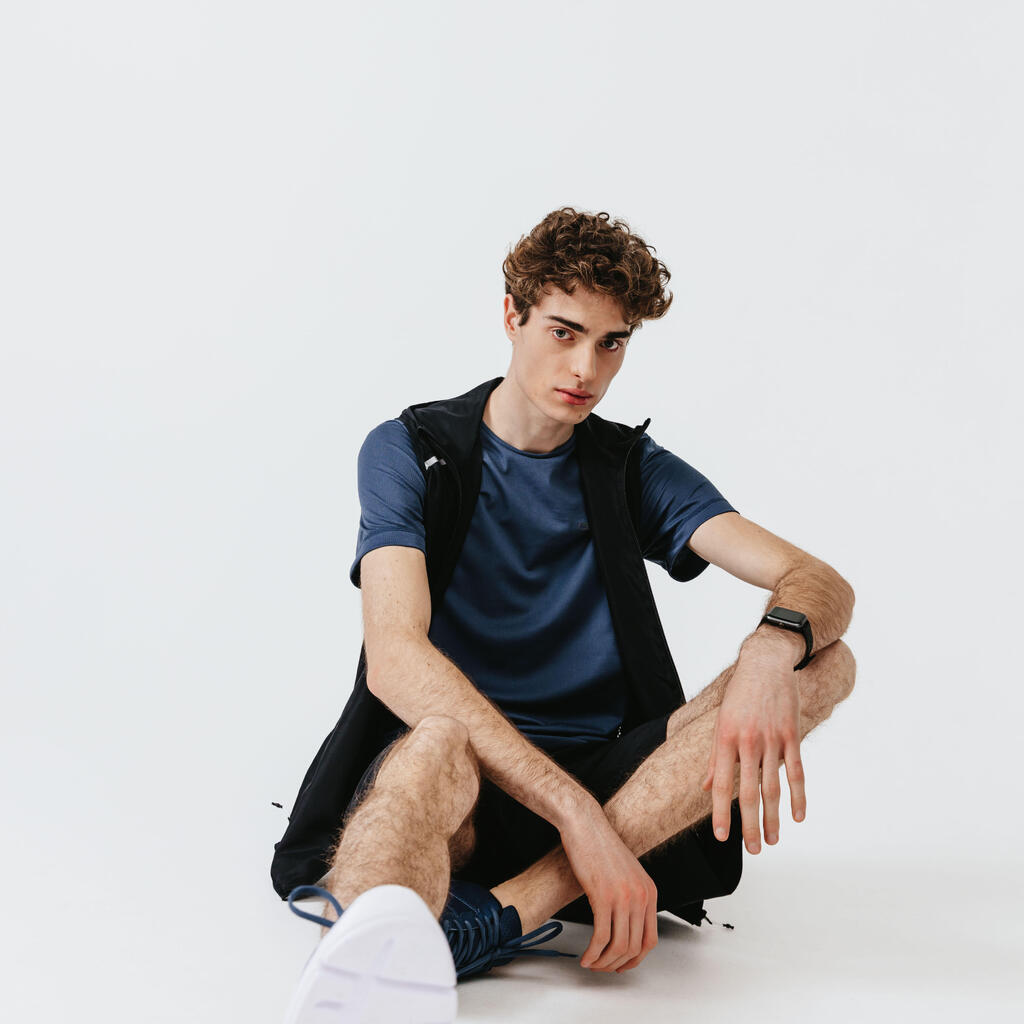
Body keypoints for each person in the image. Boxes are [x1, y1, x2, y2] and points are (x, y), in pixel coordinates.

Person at [274, 207, 857, 1023]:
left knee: (824, 661)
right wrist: (574, 814)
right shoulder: (412, 451)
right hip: (464, 780)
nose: (586, 367)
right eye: (564, 332)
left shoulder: (629, 468)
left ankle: (506, 915)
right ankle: (367, 968)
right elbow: (395, 657)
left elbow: (815, 579)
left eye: (612, 343)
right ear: (511, 317)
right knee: (432, 743)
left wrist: (771, 647)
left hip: (619, 787)